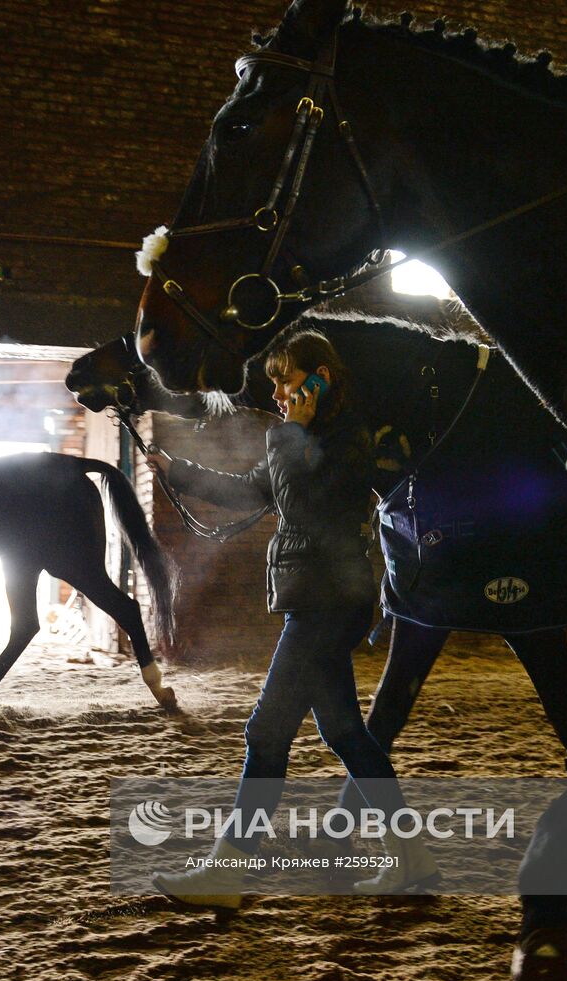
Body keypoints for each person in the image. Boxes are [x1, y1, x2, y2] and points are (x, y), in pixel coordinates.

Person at [148, 330, 438, 912]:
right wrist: (176, 471)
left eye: (284, 380)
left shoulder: (347, 439)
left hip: (330, 603)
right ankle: (413, 861)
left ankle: (229, 871)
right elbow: (253, 489)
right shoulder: (304, 438)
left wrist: (288, 434)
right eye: (276, 381)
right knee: (346, 735)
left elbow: (303, 507)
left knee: (266, 731)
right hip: (319, 600)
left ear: (318, 379)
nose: (277, 392)